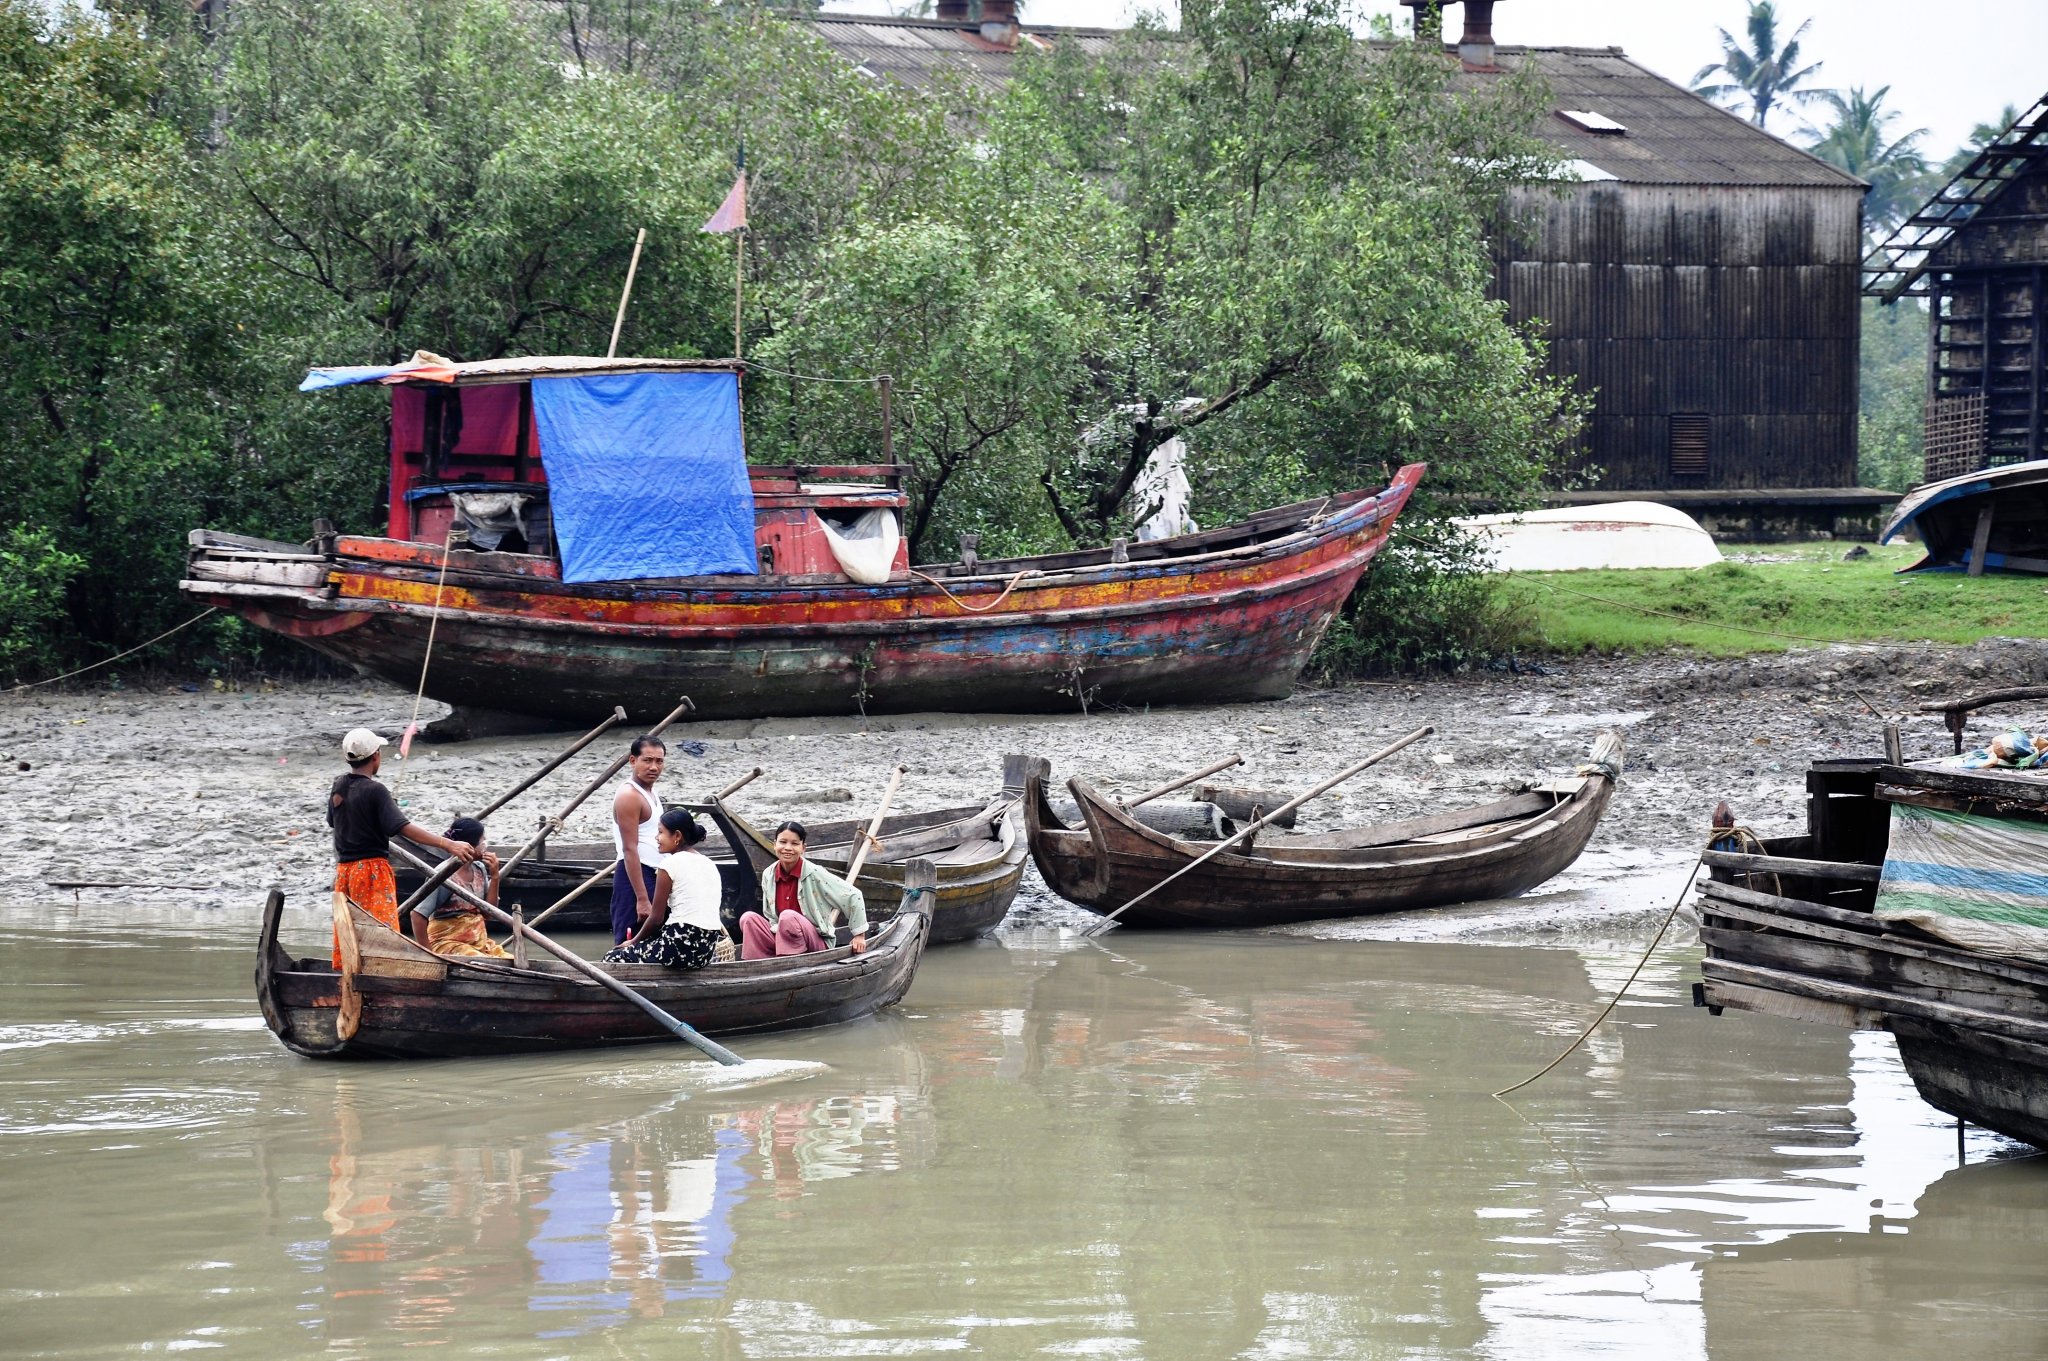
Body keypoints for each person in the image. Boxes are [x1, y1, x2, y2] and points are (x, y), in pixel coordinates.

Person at [328, 728, 479, 966]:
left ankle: (350, 972)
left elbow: (333, 821)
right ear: (376, 756)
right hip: (371, 871)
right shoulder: (375, 790)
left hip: (345, 873)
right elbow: (402, 827)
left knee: (351, 930)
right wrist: (447, 843)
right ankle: (378, 976)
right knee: (380, 932)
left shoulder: (340, 786)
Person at [604, 809, 730, 969]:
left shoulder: (668, 865)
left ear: (677, 836)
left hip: (680, 944)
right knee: (647, 946)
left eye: (660, 832)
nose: (656, 838)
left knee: (613, 957)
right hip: (705, 950)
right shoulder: (708, 863)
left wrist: (633, 941)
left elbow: (656, 919)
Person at [739, 821, 868, 959]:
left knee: (788, 917)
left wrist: (859, 936)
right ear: (775, 844)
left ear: (803, 848)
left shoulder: (814, 873)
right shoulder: (768, 874)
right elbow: (770, 916)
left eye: (794, 844)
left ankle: (789, 963)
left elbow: (854, 895)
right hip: (782, 938)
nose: (787, 848)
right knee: (748, 919)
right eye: (783, 842)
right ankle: (759, 964)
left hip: (815, 943)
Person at [409, 816, 510, 958]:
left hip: (477, 942)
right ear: (469, 845)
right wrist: (429, 956)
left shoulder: (479, 869)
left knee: (509, 960)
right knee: (483, 962)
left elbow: (488, 913)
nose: (485, 845)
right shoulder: (445, 874)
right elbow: (417, 916)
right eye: (482, 841)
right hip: (448, 943)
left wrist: (495, 877)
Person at [609, 735, 667, 944]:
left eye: (659, 761)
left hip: (654, 873)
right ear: (633, 761)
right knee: (627, 942)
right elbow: (629, 849)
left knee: (654, 941)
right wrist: (642, 899)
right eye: (647, 760)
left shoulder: (651, 792)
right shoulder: (629, 796)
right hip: (634, 875)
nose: (654, 767)